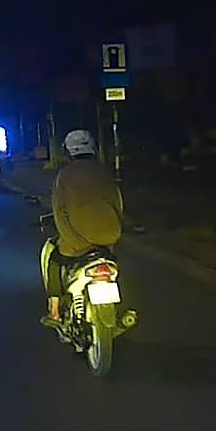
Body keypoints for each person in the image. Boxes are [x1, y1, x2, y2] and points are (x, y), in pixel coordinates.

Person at [40, 129, 125, 331]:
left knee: (53, 257)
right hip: (109, 237)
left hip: (77, 241)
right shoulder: (104, 173)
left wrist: (70, 235)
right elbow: (118, 203)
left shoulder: (64, 176)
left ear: (68, 151)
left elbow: (60, 210)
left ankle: (54, 312)